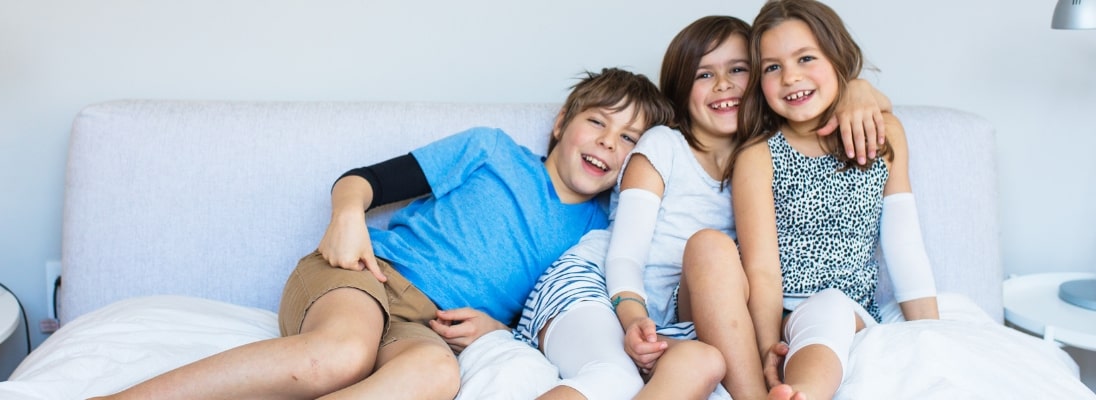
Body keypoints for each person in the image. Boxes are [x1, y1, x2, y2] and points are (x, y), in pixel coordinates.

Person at [89, 67, 673, 400]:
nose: (607, 142)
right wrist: (346, 218)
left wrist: (502, 328)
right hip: (366, 277)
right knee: (340, 354)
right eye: (598, 121)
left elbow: (561, 306)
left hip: (427, 328)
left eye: (628, 140)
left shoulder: (599, 232)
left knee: (436, 376)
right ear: (561, 124)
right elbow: (363, 181)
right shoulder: (491, 150)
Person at [436, 15, 896, 400]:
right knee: (611, 377)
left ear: (761, 77)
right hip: (602, 287)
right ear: (682, 88)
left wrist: (857, 88)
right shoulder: (663, 145)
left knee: (706, 360)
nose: (723, 85)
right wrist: (634, 317)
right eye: (703, 74)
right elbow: (625, 254)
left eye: (738, 70)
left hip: (670, 318)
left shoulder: (765, 158)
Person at [727, 1, 941, 399]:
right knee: (822, 310)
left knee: (832, 307)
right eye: (773, 67)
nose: (791, 77)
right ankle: (800, 392)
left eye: (805, 58)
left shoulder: (884, 132)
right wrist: (765, 348)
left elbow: (904, 244)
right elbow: (762, 270)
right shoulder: (758, 155)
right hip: (789, 313)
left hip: (854, 310)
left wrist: (934, 334)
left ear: (838, 57)